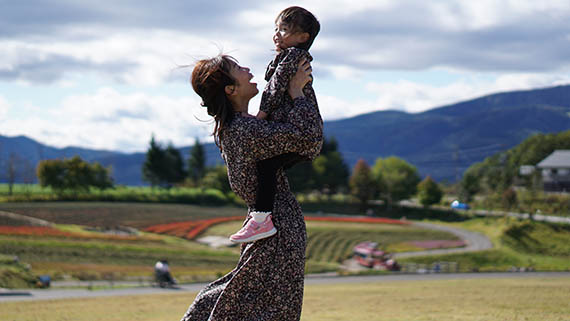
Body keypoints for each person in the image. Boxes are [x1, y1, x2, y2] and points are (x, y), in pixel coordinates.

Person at [180, 54, 322, 320]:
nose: (246, 69)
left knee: (242, 300)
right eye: (237, 68)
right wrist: (298, 92)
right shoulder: (244, 130)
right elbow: (309, 138)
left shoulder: (238, 127)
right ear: (230, 89)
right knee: (260, 307)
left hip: (269, 223)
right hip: (278, 226)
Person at [229, 6, 321, 244]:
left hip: (301, 130)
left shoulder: (293, 57)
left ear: (303, 38)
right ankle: (263, 217)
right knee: (269, 168)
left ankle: (261, 219)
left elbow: (275, 88)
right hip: (297, 131)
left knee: (267, 167)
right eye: (276, 29)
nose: (277, 34)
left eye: (284, 30)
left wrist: (261, 115)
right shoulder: (285, 58)